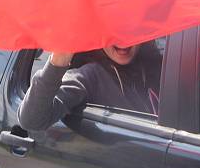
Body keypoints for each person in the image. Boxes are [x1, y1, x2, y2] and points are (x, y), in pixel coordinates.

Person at [18, 43, 161, 131]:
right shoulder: (90, 76)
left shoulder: (156, 67)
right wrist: (58, 62)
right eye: (112, 32)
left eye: (128, 31)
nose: (122, 41)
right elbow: (31, 120)